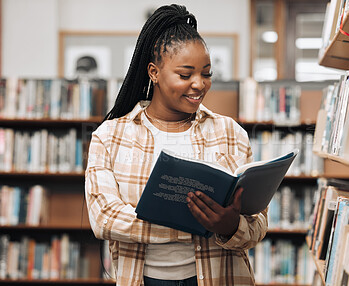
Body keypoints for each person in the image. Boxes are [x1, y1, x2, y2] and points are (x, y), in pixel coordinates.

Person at [85, 4, 268, 286]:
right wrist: (205, 227)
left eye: (206, 74)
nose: (199, 84)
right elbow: (105, 219)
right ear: (154, 72)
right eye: (185, 75)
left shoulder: (230, 132)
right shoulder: (110, 136)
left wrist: (231, 226)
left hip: (218, 277)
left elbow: (256, 224)